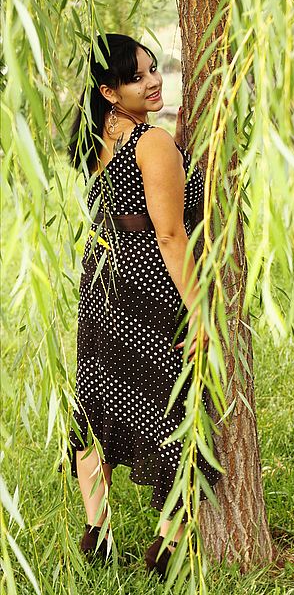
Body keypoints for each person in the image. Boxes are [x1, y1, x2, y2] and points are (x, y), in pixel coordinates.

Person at [57, 33, 223, 578]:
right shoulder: (152, 142)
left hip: (101, 279)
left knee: (97, 402)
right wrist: (199, 312)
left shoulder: (95, 138)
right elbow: (172, 235)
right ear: (108, 89)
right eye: (137, 77)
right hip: (148, 287)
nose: (153, 82)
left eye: (154, 69)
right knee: (174, 409)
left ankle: (97, 533)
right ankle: (167, 546)